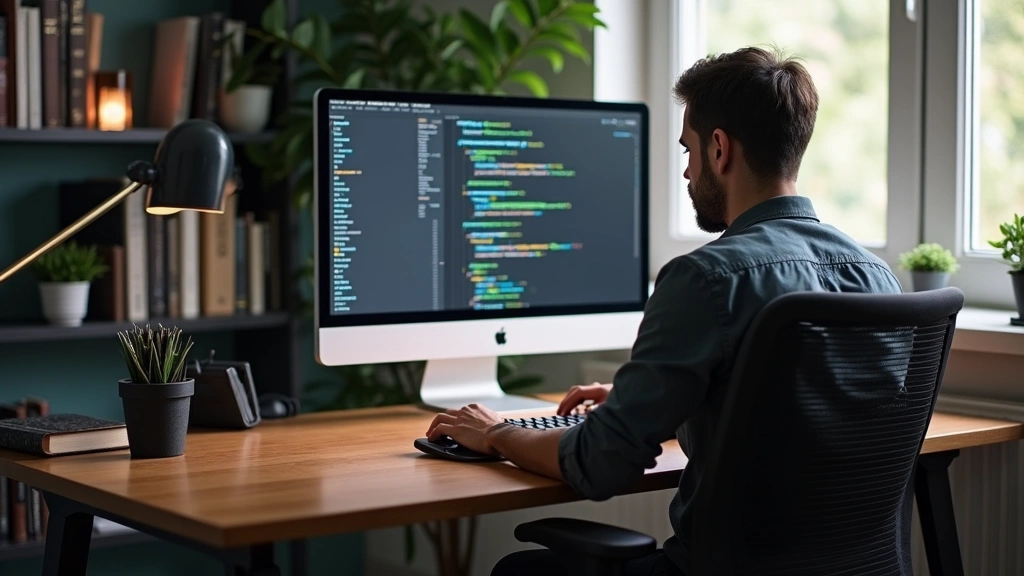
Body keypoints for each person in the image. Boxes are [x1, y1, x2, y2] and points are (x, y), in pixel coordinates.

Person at [426, 46, 902, 576]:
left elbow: (600, 465)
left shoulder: (706, 278)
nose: (687, 172)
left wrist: (496, 433)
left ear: (719, 149)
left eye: (687, 151)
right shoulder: (875, 278)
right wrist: (661, 398)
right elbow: (793, 409)